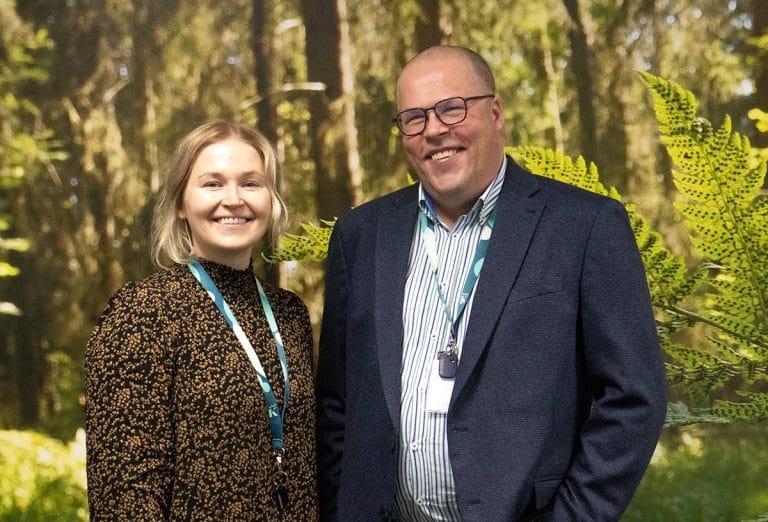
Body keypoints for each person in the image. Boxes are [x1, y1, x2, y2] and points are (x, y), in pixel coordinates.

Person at [316, 45, 666, 521]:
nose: (434, 129)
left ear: (496, 113)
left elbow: (633, 399)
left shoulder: (584, 227)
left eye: (452, 108)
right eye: (414, 118)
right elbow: (337, 402)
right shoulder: (360, 235)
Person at [85, 120, 318, 520]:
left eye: (251, 183)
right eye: (212, 184)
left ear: (271, 199)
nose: (234, 199)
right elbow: (124, 493)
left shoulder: (290, 313)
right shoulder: (144, 312)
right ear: (180, 203)